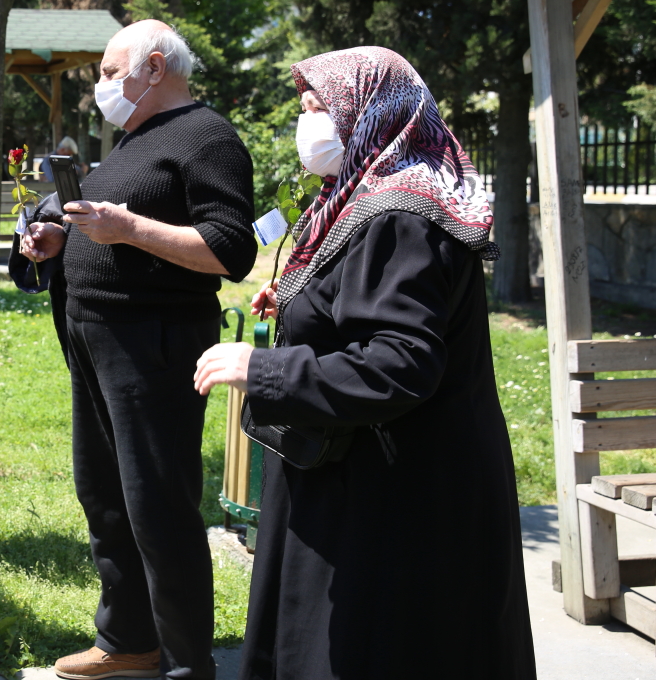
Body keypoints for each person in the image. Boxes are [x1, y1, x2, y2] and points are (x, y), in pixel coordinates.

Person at [193, 47, 536, 680]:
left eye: (318, 107)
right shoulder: (375, 195)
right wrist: (303, 305)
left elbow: (400, 362)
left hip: (395, 505)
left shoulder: (400, 213)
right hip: (376, 485)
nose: (308, 123)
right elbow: (364, 303)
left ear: (370, 112)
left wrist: (262, 368)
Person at [19, 20, 256, 680]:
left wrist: (128, 227)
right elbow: (110, 232)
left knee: (158, 505)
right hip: (98, 340)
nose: (100, 86)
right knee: (106, 494)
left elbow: (229, 249)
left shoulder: (208, 137)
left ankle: (186, 664)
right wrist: (63, 242)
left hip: (154, 346)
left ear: (154, 67)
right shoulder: (134, 138)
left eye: (107, 70)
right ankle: (127, 639)